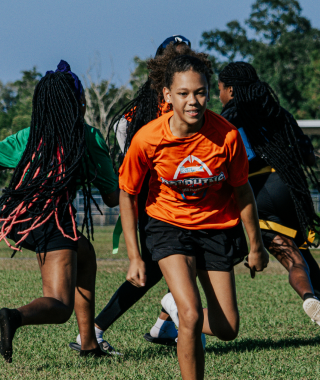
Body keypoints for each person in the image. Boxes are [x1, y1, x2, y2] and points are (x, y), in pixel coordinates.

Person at [119, 54, 269, 380]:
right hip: (167, 225)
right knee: (191, 316)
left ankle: (173, 308)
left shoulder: (227, 136)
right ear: (167, 95)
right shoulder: (147, 139)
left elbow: (243, 192)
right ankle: (182, 314)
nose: (193, 101)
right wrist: (134, 256)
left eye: (200, 92)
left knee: (228, 328)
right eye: (184, 93)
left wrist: (256, 247)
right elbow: (128, 194)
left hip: (216, 229)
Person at [0, 61, 119, 362]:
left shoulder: (29, 136)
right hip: (52, 220)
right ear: (79, 102)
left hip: (20, 217)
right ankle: (15, 317)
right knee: (60, 304)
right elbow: (113, 197)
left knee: (85, 254)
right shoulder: (88, 139)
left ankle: (89, 343)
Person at [69, 37, 210, 354]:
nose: (182, 64)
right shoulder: (135, 117)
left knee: (160, 268)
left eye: (187, 57)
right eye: (176, 58)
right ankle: (168, 317)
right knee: (159, 268)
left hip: (187, 204)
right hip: (157, 206)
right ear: (160, 66)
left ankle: (162, 324)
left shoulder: (190, 105)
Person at [217, 62, 320, 344]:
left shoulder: (228, 118)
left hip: (258, 191)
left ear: (229, 89)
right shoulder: (278, 113)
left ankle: (178, 324)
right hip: (290, 191)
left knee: (285, 254)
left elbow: (227, 164)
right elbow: (309, 157)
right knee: (300, 258)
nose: (218, 95)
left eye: (218, 89)